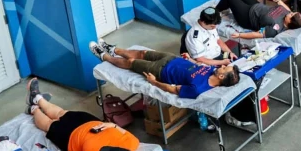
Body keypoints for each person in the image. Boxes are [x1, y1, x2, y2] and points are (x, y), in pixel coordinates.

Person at [22, 82, 138, 151]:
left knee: (50, 124)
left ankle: (34, 109)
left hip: (70, 139)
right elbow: (121, 130)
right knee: (61, 113)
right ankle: (37, 98)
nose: (102, 150)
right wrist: (111, 125)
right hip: (91, 123)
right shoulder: (132, 143)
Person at [90, 43, 239, 98]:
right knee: (142, 53)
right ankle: (113, 48)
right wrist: (189, 60)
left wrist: (154, 83)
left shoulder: (197, 89)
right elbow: (197, 65)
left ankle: (105, 56)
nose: (222, 66)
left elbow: (173, 90)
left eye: (225, 68)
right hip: (173, 59)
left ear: (221, 76)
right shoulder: (213, 70)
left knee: (132, 62)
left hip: (161, 71)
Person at [211, 0, 301, 39]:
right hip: (256, 7)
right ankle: (223, 6)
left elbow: (257, 34)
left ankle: (214, 12)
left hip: (248, 17)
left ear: (289, 22)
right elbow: (285, 7)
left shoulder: (276, 28)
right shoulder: (287, 14)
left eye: (291, 15)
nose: (290, 13)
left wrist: (240, 35)